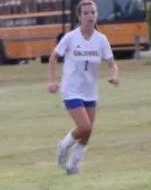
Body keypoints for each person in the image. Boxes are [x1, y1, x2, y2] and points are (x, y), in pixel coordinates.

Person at [46, 0, 119, 175]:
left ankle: (73, 165)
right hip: (71, 89)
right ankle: (63, 146)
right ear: (79, 16)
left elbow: (111, 64)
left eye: (92, 12)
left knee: (87, 132)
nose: (90, 16)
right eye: (86, 13)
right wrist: (52, 81)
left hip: (90, 91)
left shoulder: (101, 39)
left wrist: (115, 75)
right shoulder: (71, 37)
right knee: (84, 127)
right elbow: (53, 57)